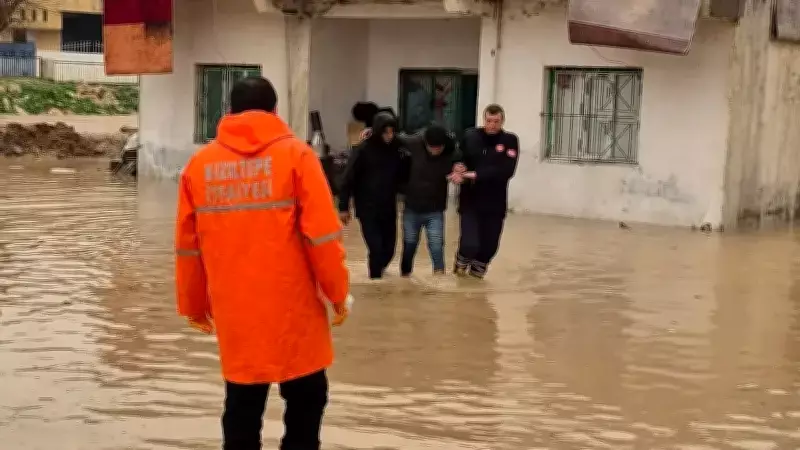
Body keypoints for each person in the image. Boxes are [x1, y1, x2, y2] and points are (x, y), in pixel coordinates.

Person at [174, 76, 353, 450]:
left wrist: (193, 306)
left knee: (241, 409)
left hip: (237, 314)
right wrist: (338, 294)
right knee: (306, 405)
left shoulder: (200, 165)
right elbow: (322, 238)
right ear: (275, 111)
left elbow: (188, 248)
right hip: (295, 312)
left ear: (228, 112)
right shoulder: (298, 156)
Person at [338, 112, 409, 280]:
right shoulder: (363, 150)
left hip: (388, 207)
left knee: (389, 250)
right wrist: (343, 208)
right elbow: (347, 179)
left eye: (392, 132)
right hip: (367, 208)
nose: (389, 136)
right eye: (385, 132)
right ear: (378, 132)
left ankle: (380, 279)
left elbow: (412, 141)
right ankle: (375, 285)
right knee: (375, 248)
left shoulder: (397, 147)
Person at [452, 103, 519, 279]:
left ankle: (474, 287)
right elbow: (458, 155)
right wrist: (458, 166)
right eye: (489, 120)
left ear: (502, 121)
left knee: (489, 247)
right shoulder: (470, 136)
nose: (492, 125)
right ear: (484, 120)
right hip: (470, 200)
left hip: (495, 203)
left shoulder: (510, 141)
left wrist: (476, 175)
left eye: (496, 121)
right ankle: (459, 268)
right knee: (469, 244)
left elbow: (507, 170)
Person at [398, 124, 461, 277]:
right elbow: (394, 137)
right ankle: (405, 277)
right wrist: (372, 131)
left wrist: (460, 168)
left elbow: (461, 160)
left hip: (435, 210)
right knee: (409, 245)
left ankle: (439, 278)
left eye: (438, 148)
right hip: (412, 208)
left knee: (437, 246)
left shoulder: (451, 152)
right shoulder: (414, 143)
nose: (435, 151)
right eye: (431, 148)